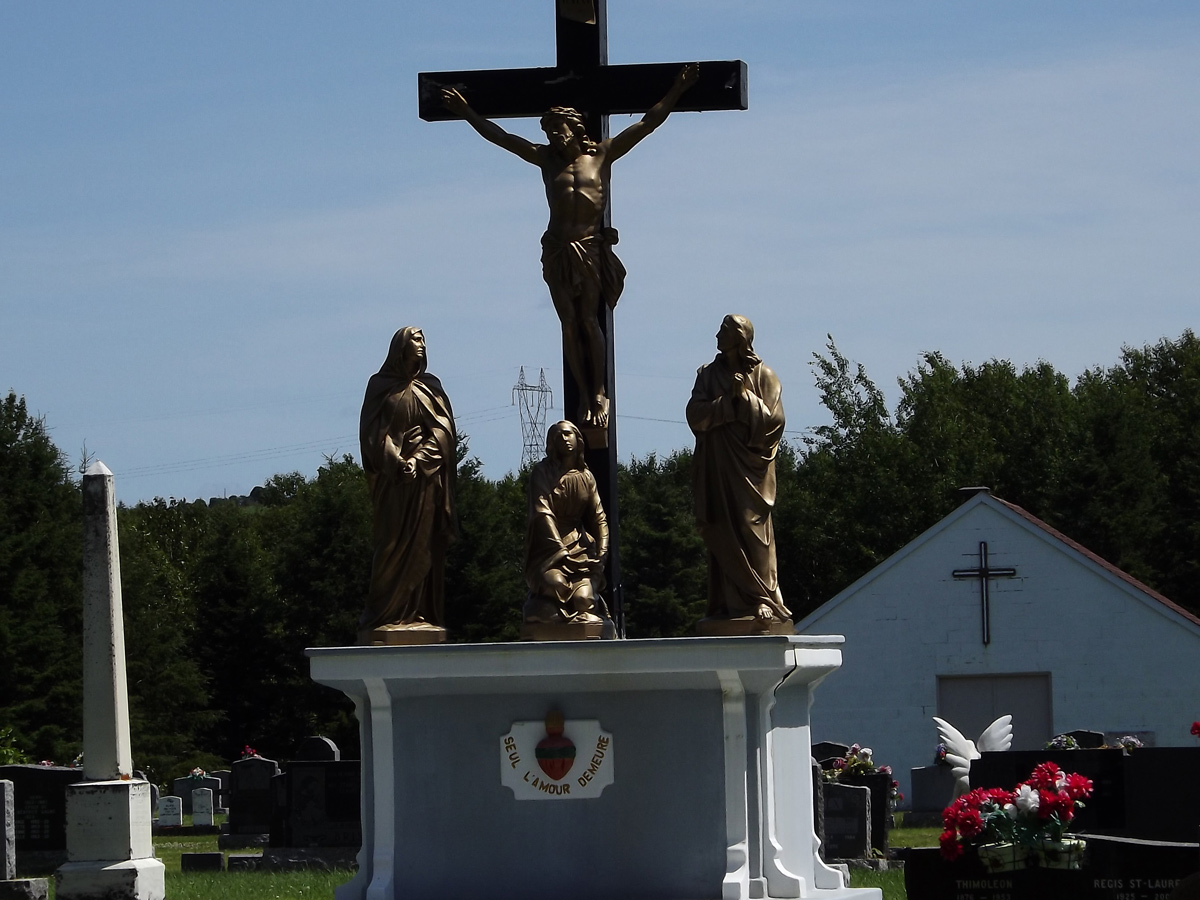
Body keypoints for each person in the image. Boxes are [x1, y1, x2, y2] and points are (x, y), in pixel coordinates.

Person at [440, 64, 699, 429]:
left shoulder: (602, 156)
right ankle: (582, 391)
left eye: (558, 131)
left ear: (575, 129)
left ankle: (599, 392)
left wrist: (678, 90)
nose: (554, 138)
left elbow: (646, 124)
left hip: (590, 246)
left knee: (589, 321)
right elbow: (501, 137)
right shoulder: (546, 160)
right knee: (568, 323)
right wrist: (466, 112)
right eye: (548, 132)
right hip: (560, 249)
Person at [686, 315, 792, 628]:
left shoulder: (765, 375)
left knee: (750, 525)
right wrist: (728, 402)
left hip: (750, 468)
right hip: (717, 464)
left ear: (740, 337)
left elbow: (775, 423)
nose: (717, 334)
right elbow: (695, 414)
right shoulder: (707, 374)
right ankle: (726, 603)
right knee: (720, 526)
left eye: (724, 330)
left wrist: (744, 398)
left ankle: (763, 598)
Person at [357, 327, 457, 644]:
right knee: (390, 546)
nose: (422, 343)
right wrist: (396, 462)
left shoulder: (432, 388)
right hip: (394, 485)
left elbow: (444, 433)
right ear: (400, 346)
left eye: (424, 339)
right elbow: (372, 435)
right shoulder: (379, 386)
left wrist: (418, 459)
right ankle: (383, 616)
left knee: (424, 547)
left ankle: (419, 615)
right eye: (415, 338)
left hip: (425, 482)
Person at [523, 421, 608, 626]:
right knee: (557, 586)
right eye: (559, 435)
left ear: (577, 439)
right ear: (552, 442)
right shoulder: (542, 472)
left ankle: (578, 610)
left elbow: (598, 517)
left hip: (580, 547)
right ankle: (544, 610)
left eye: (568, 434)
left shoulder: (586, 477)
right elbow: (542, 513)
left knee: (583, 599)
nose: (564, 439)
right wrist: (561, 551)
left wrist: (602, 552)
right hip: (549, 550)